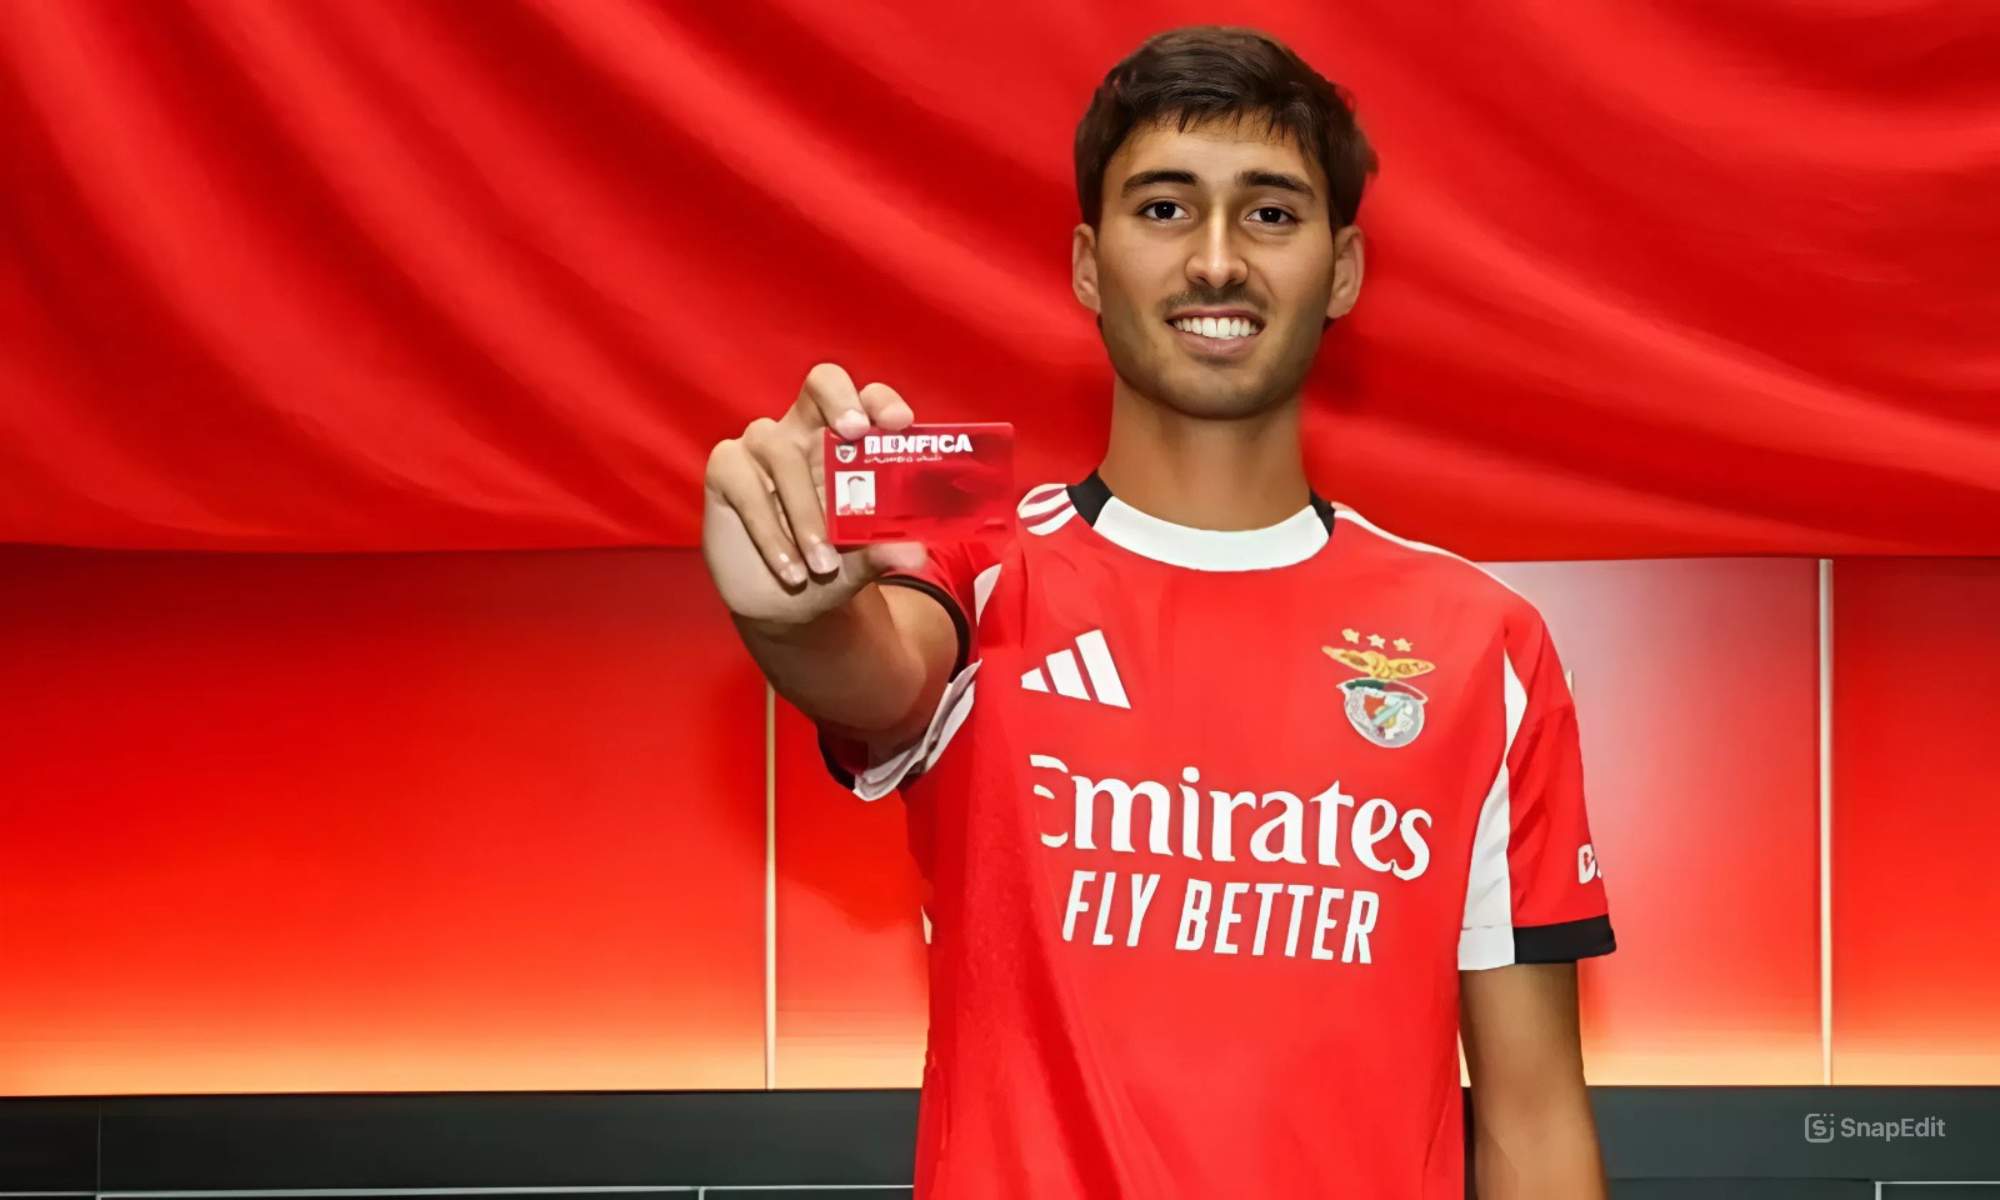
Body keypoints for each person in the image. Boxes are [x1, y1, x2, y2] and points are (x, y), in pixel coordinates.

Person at [701, 24, 1616, 1199]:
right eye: (1165, 209)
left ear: (1342, 270)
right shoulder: (978, 562)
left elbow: (1535, 1126)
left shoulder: (1481, 638)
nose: (1217, 262)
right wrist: (787, 611)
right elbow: (875, 669)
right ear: (1088, 263)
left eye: (1271, 213)